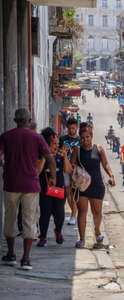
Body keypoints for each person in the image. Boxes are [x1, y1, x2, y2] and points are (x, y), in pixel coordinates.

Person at [0, 108, 56, 270]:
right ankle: (26, 258)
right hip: (31, 185)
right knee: (29, 220)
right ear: (29, 120)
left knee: (10, 218)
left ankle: (11, 254)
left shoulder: (6, 136)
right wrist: (53, 177)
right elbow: (50, 158)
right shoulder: (37, 138)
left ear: (15, 120)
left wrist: (4, 164)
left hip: (11, 184)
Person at [70, 123, 115, 249]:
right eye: (82, 138)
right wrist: (72, 181)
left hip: (97, 185)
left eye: (87, 137)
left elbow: (105, 164)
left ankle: (97, 231)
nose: (85, 140)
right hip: (82, 186)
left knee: (97, 212)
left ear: (92, 136)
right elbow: (71, 168)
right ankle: (82, 239)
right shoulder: (77, 151)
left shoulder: (99, 149)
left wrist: (111, 175)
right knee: (82, 212)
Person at [37, 128, 72, 247]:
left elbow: (68, 170)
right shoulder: (41, 156)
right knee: (45, 215)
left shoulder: (60, 156)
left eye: (58, 143)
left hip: (59, 190)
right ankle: (43, 237)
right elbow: (38, 171)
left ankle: (58, 231)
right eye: (54, 144)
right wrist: (45, 155)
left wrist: (66, 157)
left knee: (60, 215)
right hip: (45, 191)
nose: (56, 146)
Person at [59, 118, 80, 225]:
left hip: (76, 171)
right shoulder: (62, 139)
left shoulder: (81, 140)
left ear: (77, 127)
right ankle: (74, 213)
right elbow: (57, 152)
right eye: (69, 128)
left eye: (73, 128)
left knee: (74, 193)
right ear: (67, 128)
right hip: (65, 169)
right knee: (68, 193)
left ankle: (74, 214)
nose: (71, 130)